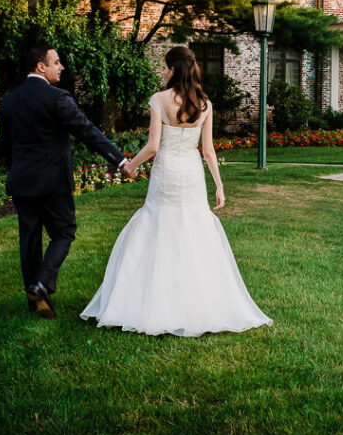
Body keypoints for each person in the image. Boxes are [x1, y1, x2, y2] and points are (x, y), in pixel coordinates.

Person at [80, 46, 272, 336]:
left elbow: (154, 146)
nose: (164, 71)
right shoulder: (205, 104)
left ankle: (152, 302)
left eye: (166, 67)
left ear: (173, 69)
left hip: (167, 172)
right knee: (194, 228)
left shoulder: (159, 100)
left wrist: (130, 165)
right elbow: (208, 150)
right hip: (192, 174)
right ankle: (198, 303)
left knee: (158, 224)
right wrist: (219, 185)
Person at [0, 45, 135, 319]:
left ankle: (34, 299)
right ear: (41, 66)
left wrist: (15, 172)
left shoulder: (9, 101)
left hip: (22, 182)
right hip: (53, 182)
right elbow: (87, 131)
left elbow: (4, 147)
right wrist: (120, 160)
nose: (61, 67)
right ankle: (41, 283)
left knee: (30, 239)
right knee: (64, 232)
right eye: (56, 62)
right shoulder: (57, 98)